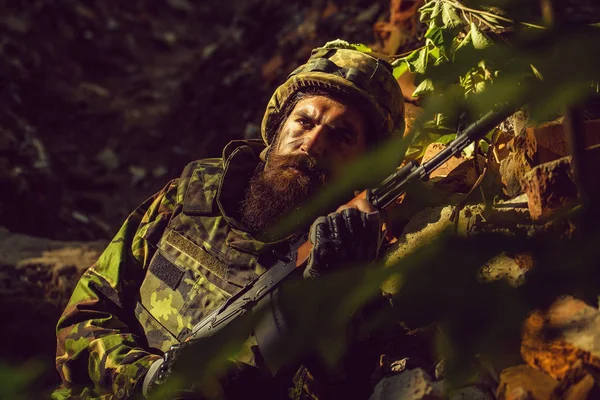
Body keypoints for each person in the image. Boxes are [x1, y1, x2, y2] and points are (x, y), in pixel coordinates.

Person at [52, 42, 405, 400]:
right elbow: (84, 315)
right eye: (305, 121)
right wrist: (143, 379)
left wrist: (335, 304)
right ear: (279, 127)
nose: (312, 145)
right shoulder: (191, 196)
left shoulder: (354, 265)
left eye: (342, 136)